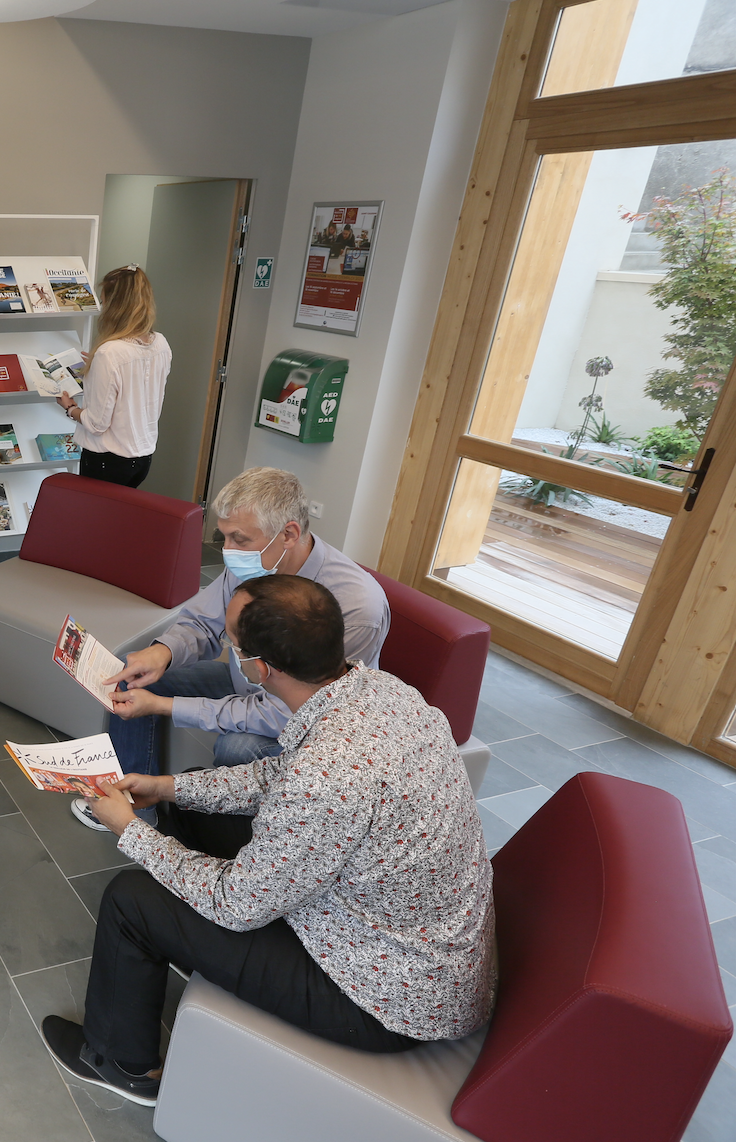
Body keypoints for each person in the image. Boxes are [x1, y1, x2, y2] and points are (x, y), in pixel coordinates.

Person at [40, 574, 495, 1108]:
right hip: (401, 936)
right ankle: (188, 948)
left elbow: (236, 904)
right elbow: (277, 776)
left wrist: (130, 831)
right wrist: (167, 788)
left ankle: (120, 1062)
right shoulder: (385, 691)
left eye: (232, 642)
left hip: (386, 998)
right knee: (191, 804)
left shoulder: (327, 777)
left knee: (130, 900)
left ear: (261, 668)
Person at [71, 466, 387, 832]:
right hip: (248, 682)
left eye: (239, 539)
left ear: (288, 534)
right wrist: (162, 653)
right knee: (136, 678)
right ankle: (132, 809)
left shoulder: (356, 607)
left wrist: (164, 706)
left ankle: (251, 841)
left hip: (307, 727)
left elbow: (287, 713)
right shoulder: (258, 561)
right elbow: (203, 621)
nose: (228, 552)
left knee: (236, 748)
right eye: (224, 537)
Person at [55, 264, 170, 488]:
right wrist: (97, 366)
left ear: (115, 305)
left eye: (104, 300)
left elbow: (96, 424)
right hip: (142, 458)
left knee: (95, 512)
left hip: (106, 461)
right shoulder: (161, 344)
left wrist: (69, 407)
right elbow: (139, 384)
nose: (102, 306)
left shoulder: (110, 353)